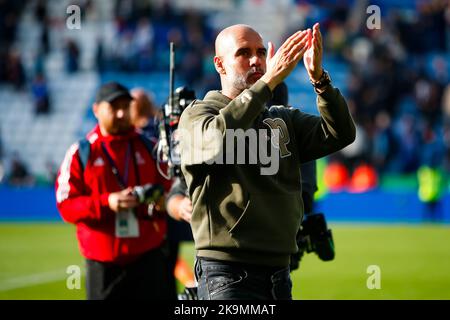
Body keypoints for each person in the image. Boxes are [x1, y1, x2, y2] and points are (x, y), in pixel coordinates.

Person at [178, 23, 356, 300]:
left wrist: (320, 80)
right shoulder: (198, 115)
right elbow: (216, 140)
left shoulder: (281, 117)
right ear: (219, 65)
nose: (256, 60)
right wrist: (268, 82)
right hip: (226, 274)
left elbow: (341, 133)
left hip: (279, 272)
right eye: (243, 53)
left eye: (261, 52)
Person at [55, 82, 174, 300]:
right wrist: (106, 202)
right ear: (96, 109)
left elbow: (172, 191)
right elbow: (66, 206)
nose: (121, 113)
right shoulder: (81, 153)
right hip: (103, 264)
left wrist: (160, 201)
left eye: (125, 106)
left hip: (150, 257)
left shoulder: (151, 147)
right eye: (113, 107)